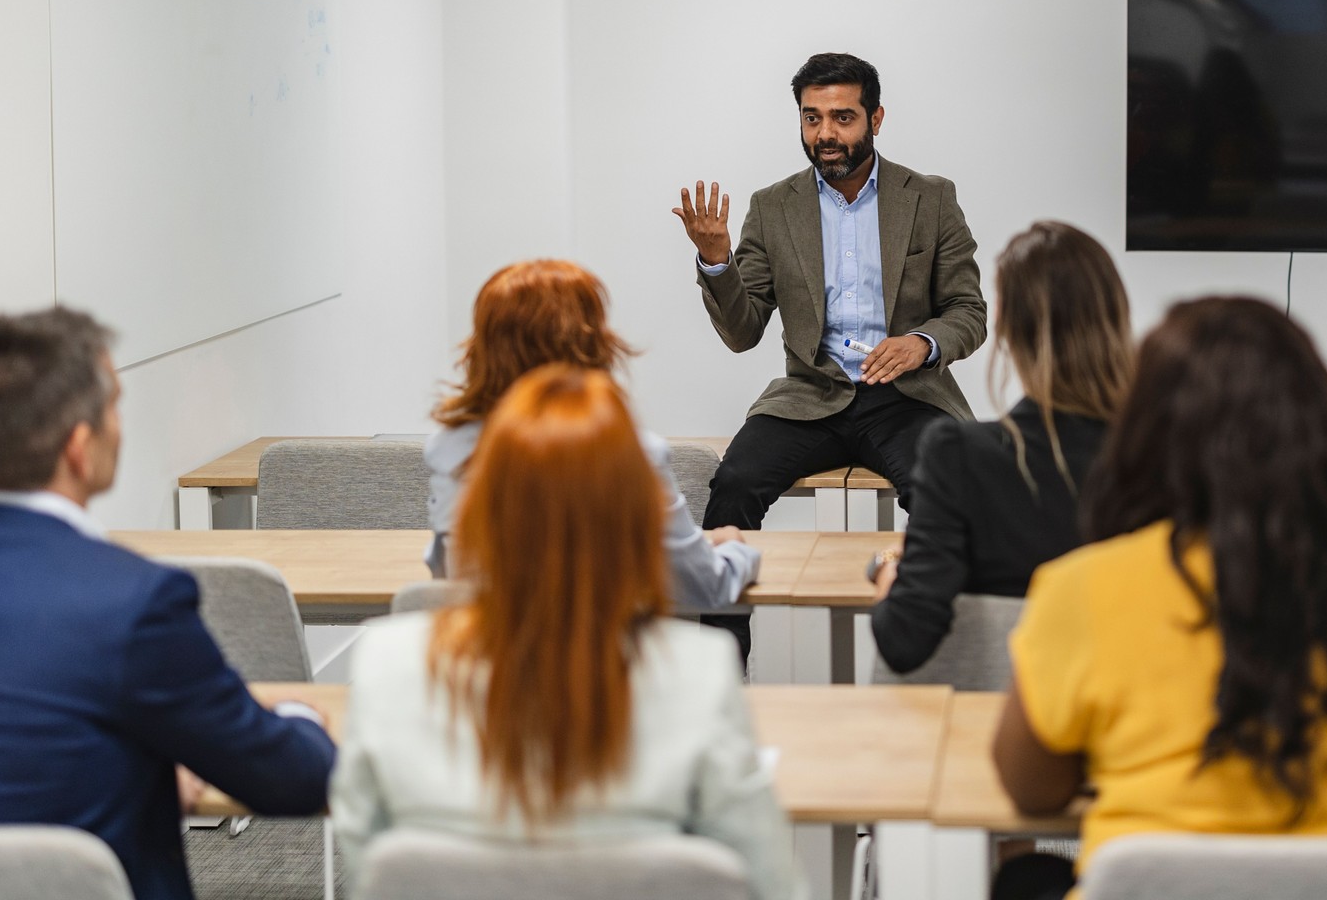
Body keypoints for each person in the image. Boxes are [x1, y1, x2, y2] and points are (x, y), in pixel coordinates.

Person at [992, 298, 1327, 900]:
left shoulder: (1083, 588)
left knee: (1026, 877)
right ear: (1320, 424)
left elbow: (1031, 792)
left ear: (1147, 435)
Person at [0, 308, 335, 900]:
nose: (122, 423)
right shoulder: (133, 602)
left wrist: (136, 776)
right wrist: (304, 718)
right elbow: (290, 780)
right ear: (79, 447)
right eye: (114, 404)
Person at [333, 366, 802, 900]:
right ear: (633, 521)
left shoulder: (386, 661)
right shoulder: (697, 671)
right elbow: (766, 881)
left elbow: (370, 867)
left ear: (482, 508)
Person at [673, 53, 987, 651]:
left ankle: (936, 656)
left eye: (843, 117)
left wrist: (921, 344)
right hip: (809, 397)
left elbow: (970, 313)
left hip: (906, 398)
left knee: (947, 493)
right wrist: (716, 260)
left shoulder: (931, 198)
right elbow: (743, 332)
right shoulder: (773, 206)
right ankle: (717, 668)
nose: (826, 135)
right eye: (812, 118)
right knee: (733, 484)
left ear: (876, 118)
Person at [868, 221, 1132, 676]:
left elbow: (903, 640)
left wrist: (891, 566)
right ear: (1117, 321)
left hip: (989, 728)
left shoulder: (958, 456)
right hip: (1125, 728)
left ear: (1008, 333)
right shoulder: (1162, 458)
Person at [426, 258, 758, 607]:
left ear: (485, 347)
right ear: (589, 342)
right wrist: (735, 549)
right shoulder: (633, 453)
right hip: (602, 658)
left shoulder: (449, 449)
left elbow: (449, 574)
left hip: (482, 657)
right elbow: (701, 585)